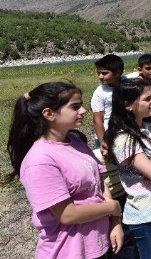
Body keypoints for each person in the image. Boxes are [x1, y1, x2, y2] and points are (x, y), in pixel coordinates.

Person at [7, 82, 123, 258]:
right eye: (75, 107)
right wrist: (112, 207)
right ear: (49, 114)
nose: (83, 110)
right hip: (68, 251)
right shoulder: (40, 160)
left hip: (99, 244)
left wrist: (115, 221)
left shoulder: (77, 143)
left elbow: (98, 183)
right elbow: (67, 215)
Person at [106, 78, 151, 259]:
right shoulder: (124, 140)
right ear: (128, 106)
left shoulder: (150, 128)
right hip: (146, 214)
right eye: (147, 99)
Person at [92, 54, 124, 154]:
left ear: (118, 73)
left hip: (124, 134)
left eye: (104, 73)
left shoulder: (127, 82)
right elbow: (98, 121)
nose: (100, 76)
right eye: (99, 73)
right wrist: (103, 143)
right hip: (107, 136)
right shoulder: (100, 92)